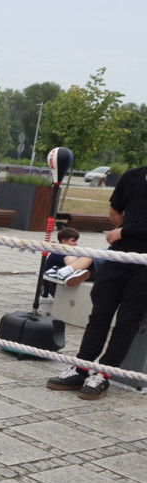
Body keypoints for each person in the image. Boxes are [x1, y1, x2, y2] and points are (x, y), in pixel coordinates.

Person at [46, 165, 147, 400]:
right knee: (99, 314)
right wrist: (126, 232)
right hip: (119, 256)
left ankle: (104, 374)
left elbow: (124, 227)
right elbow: (115, 211)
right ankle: (81, 367)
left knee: (127, 321)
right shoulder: (132, 176)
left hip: (144, 264)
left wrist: (128, 230)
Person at [43, 226, 95, 292]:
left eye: (76, 241)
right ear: (64, 241)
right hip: (54, 288)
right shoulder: (60, 252)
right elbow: (69, 259)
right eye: (73, 241)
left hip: (53, 286)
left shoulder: (58, 251)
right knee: (89, 257)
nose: (76, 243)